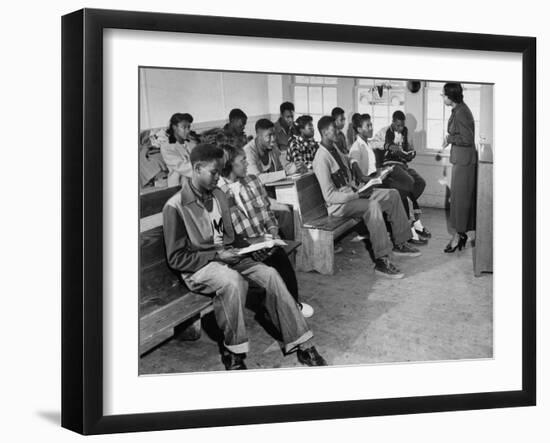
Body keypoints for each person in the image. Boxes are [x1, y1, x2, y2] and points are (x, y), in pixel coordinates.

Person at [162, 143, 327, 369]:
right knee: (233, 281)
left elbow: (223, 234)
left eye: (220, 172)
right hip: (199, 267)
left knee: (270, 274)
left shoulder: (217, 195)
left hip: (226, 257)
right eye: (214, 172)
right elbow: (177, 258)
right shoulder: (176, 206)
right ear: (197, 168)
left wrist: (249, 245)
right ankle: (233, 351)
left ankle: (303, 343)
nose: (218, 177)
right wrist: (218, 255)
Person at [312, 116, 421, 279]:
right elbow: (329, 196)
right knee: (373, 206)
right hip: (339, 206)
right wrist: (357, 194)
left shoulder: (333, 148)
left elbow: (348, 159)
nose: (338, 131)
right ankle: (382, 261)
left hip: (353, 194)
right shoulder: (321, 158)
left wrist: (358, 169)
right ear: (323, 132)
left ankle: (400, 242)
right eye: (334, 129)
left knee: (392, 194)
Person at [218, 144, 314, 318]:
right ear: (230, 165)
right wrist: (251, 243)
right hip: (243, 248)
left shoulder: (253, 181)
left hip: (264, 241)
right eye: (242, 160)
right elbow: (226, 231)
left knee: (282, 262)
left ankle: (293, 304)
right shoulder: (219, 193)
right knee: (270, 270)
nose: (247, 163)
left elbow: (267, 212)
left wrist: (273, 230)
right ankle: (280, 309)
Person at [371, 110, 431, 242]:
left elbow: (411, 149)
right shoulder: (383, 131)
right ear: (393, 122)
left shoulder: (407, 133)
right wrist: (388, 146)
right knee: (408, 182)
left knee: (420, 182)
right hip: (389, 166)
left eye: (402, 126)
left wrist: (410, 154)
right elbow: (372, 143)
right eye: (397, 125)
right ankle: (412, 223)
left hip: (403, 165)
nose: (400, 128)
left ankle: (406, 213)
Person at [440, 82, 477, 252]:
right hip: (461, 160)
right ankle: (460, 234)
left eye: (444, 95)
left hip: (464, 161)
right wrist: (450, 138)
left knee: (460, 202)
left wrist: (450, 139)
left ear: (451, 96)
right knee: (458, 200)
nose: (443, 97)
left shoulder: (462, 112)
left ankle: (458, 236)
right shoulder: (458, 109)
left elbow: (467, 139)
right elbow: (459, 133)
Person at [159, 113, 195, 186]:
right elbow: (181, 167)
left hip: (195, 180)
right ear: (174, 127)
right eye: (184, 127)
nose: (188, 130)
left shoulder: (191, 143)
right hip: (178, 184)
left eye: (189, 127)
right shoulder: (167, 147)